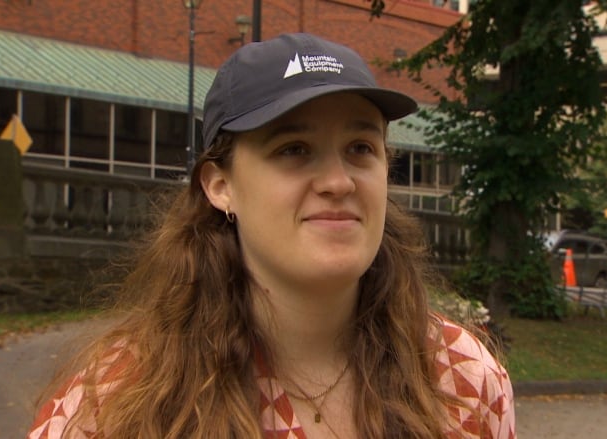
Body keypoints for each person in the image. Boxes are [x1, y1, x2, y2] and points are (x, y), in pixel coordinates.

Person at [27, 33, 516, 439]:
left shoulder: (464, 377)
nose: (339, 181)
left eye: (360, 147)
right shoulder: (116, 403)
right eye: (294, 149)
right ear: (221, 186)